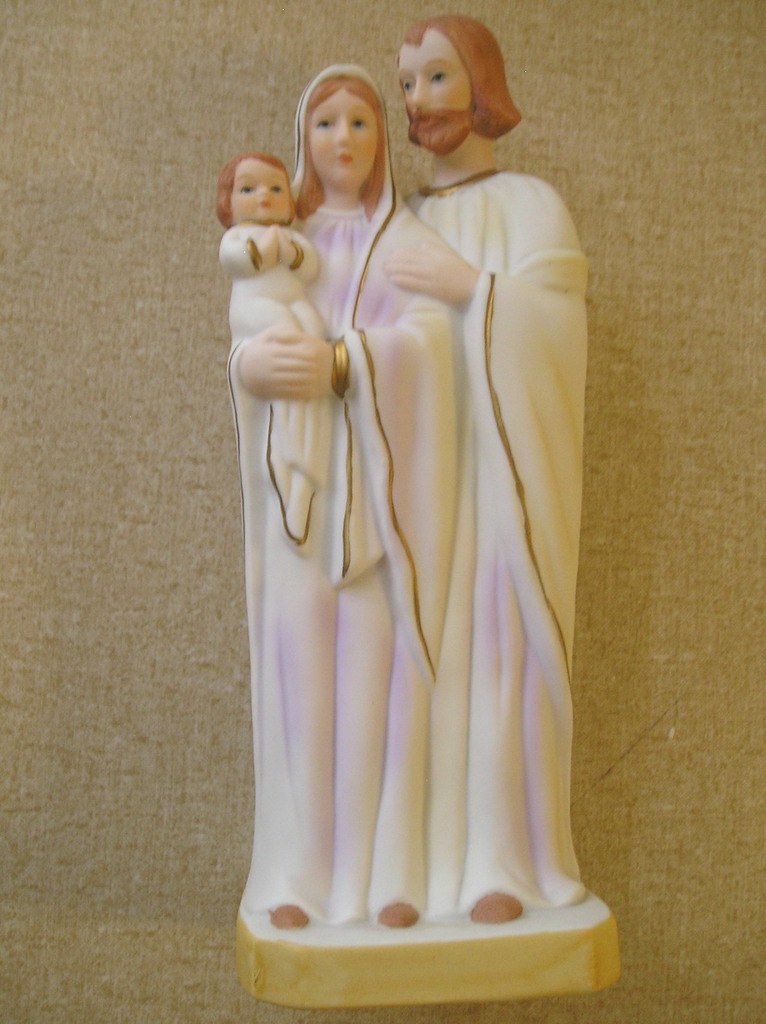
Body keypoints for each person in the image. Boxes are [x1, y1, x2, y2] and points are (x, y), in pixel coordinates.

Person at [229, 66, 456, 931]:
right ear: (304, 141)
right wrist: (252, 367)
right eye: (326, 123)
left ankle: (381, 874)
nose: (344, 139)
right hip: (302, 498)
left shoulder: (404, 240)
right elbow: (248, 332)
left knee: (376, 684)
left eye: (361, 121)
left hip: (381, 503)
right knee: (299, 681)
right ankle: (300, 874)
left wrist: (346, 361)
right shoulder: (283, 243)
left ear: (382, 140)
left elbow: (433, 348)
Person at [387, 15, 588, 922]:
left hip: (501, 485)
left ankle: (502, 861)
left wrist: (474, 291)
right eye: (407, 83)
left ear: (481, 84)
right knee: (412, 666)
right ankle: (409, 868)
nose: (418, 100)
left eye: (437, 76)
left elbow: (560, 329)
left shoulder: (530, 205)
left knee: (496, 658)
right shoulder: (400, 219)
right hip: (419, 486)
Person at [217, 151, 330, 541]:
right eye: (249, 189)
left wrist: (290, 250)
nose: (264, 196)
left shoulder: (292, 237)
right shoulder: (237, 237)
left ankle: (303, 475)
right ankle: (287, 467)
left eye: (276, 188)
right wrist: (270, 249)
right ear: (228, 201)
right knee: (290, 343)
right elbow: (240, 261)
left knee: (313, 334)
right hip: (257, 312)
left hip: (295, 308)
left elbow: (310, 266)